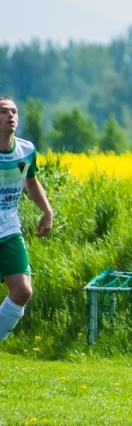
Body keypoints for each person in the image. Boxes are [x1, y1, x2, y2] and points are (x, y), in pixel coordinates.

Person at [0, 97, 54, 343]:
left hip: (9, 230)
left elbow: (31, 182)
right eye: (3, 112)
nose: (11, 116)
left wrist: (47, 210)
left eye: (14, 111)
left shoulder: (26, 150)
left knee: (23, 291)